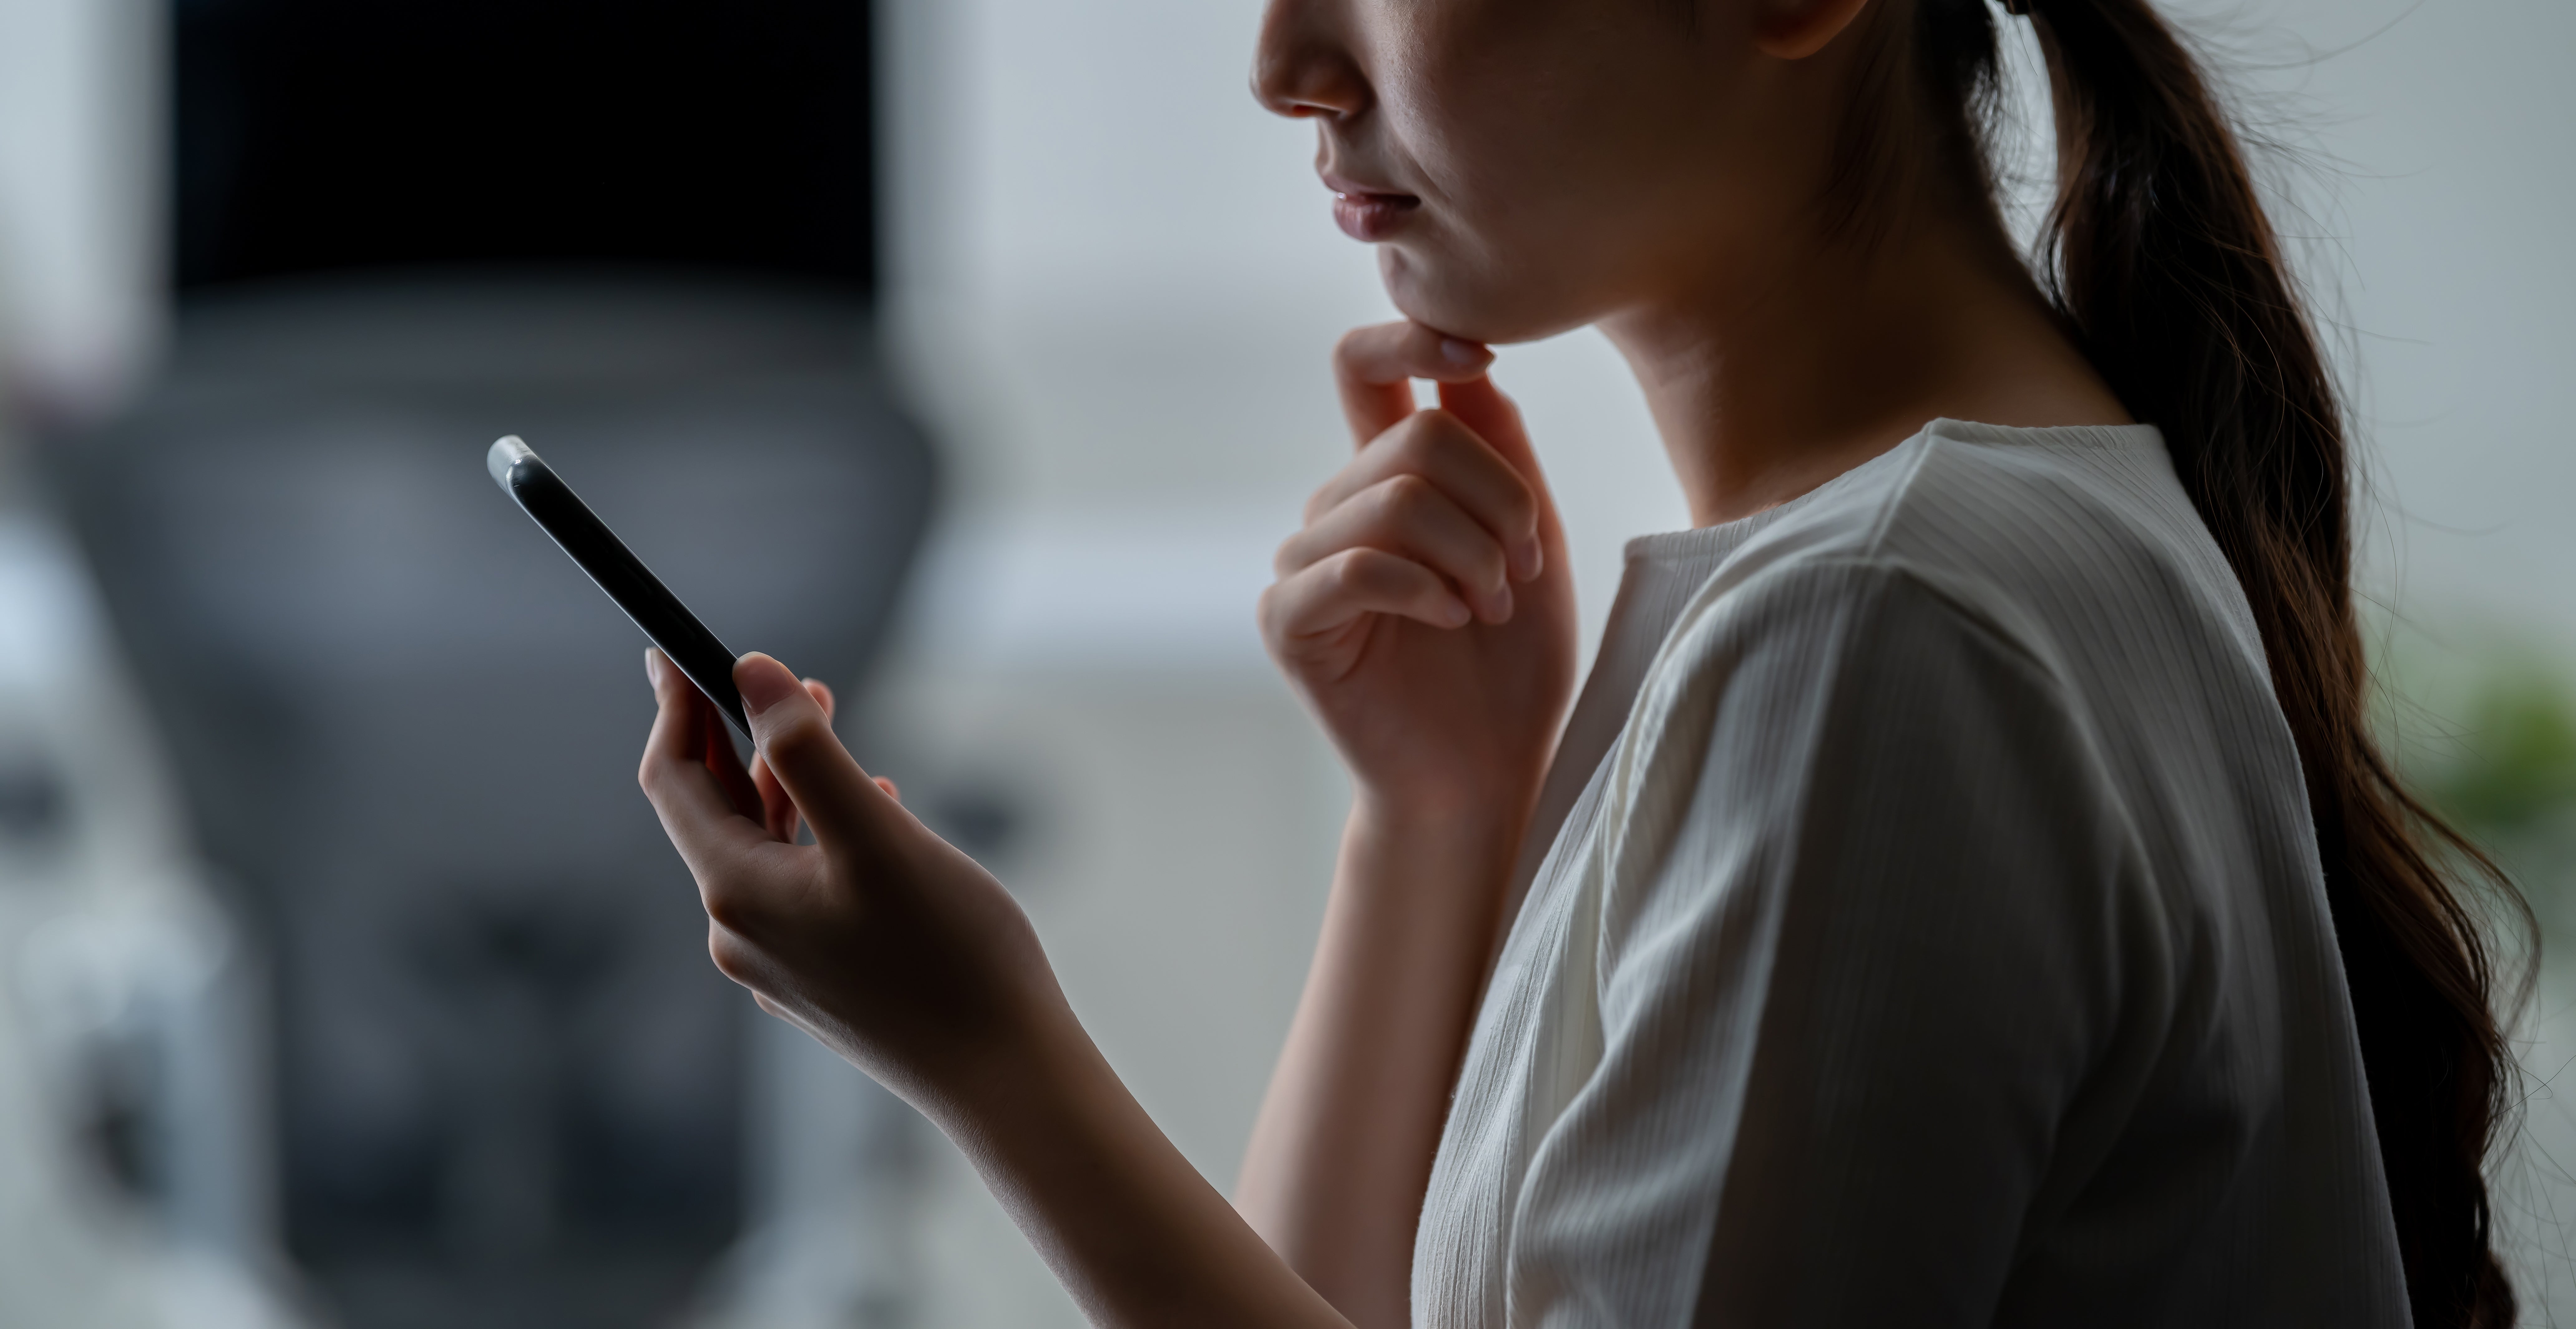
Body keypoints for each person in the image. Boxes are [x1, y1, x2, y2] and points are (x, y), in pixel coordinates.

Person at [637, 0, 2528, 1323]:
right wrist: (1436, 807)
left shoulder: (1883, 631)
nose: (1283, 63)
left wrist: (987, 1050)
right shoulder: (1981, 554)